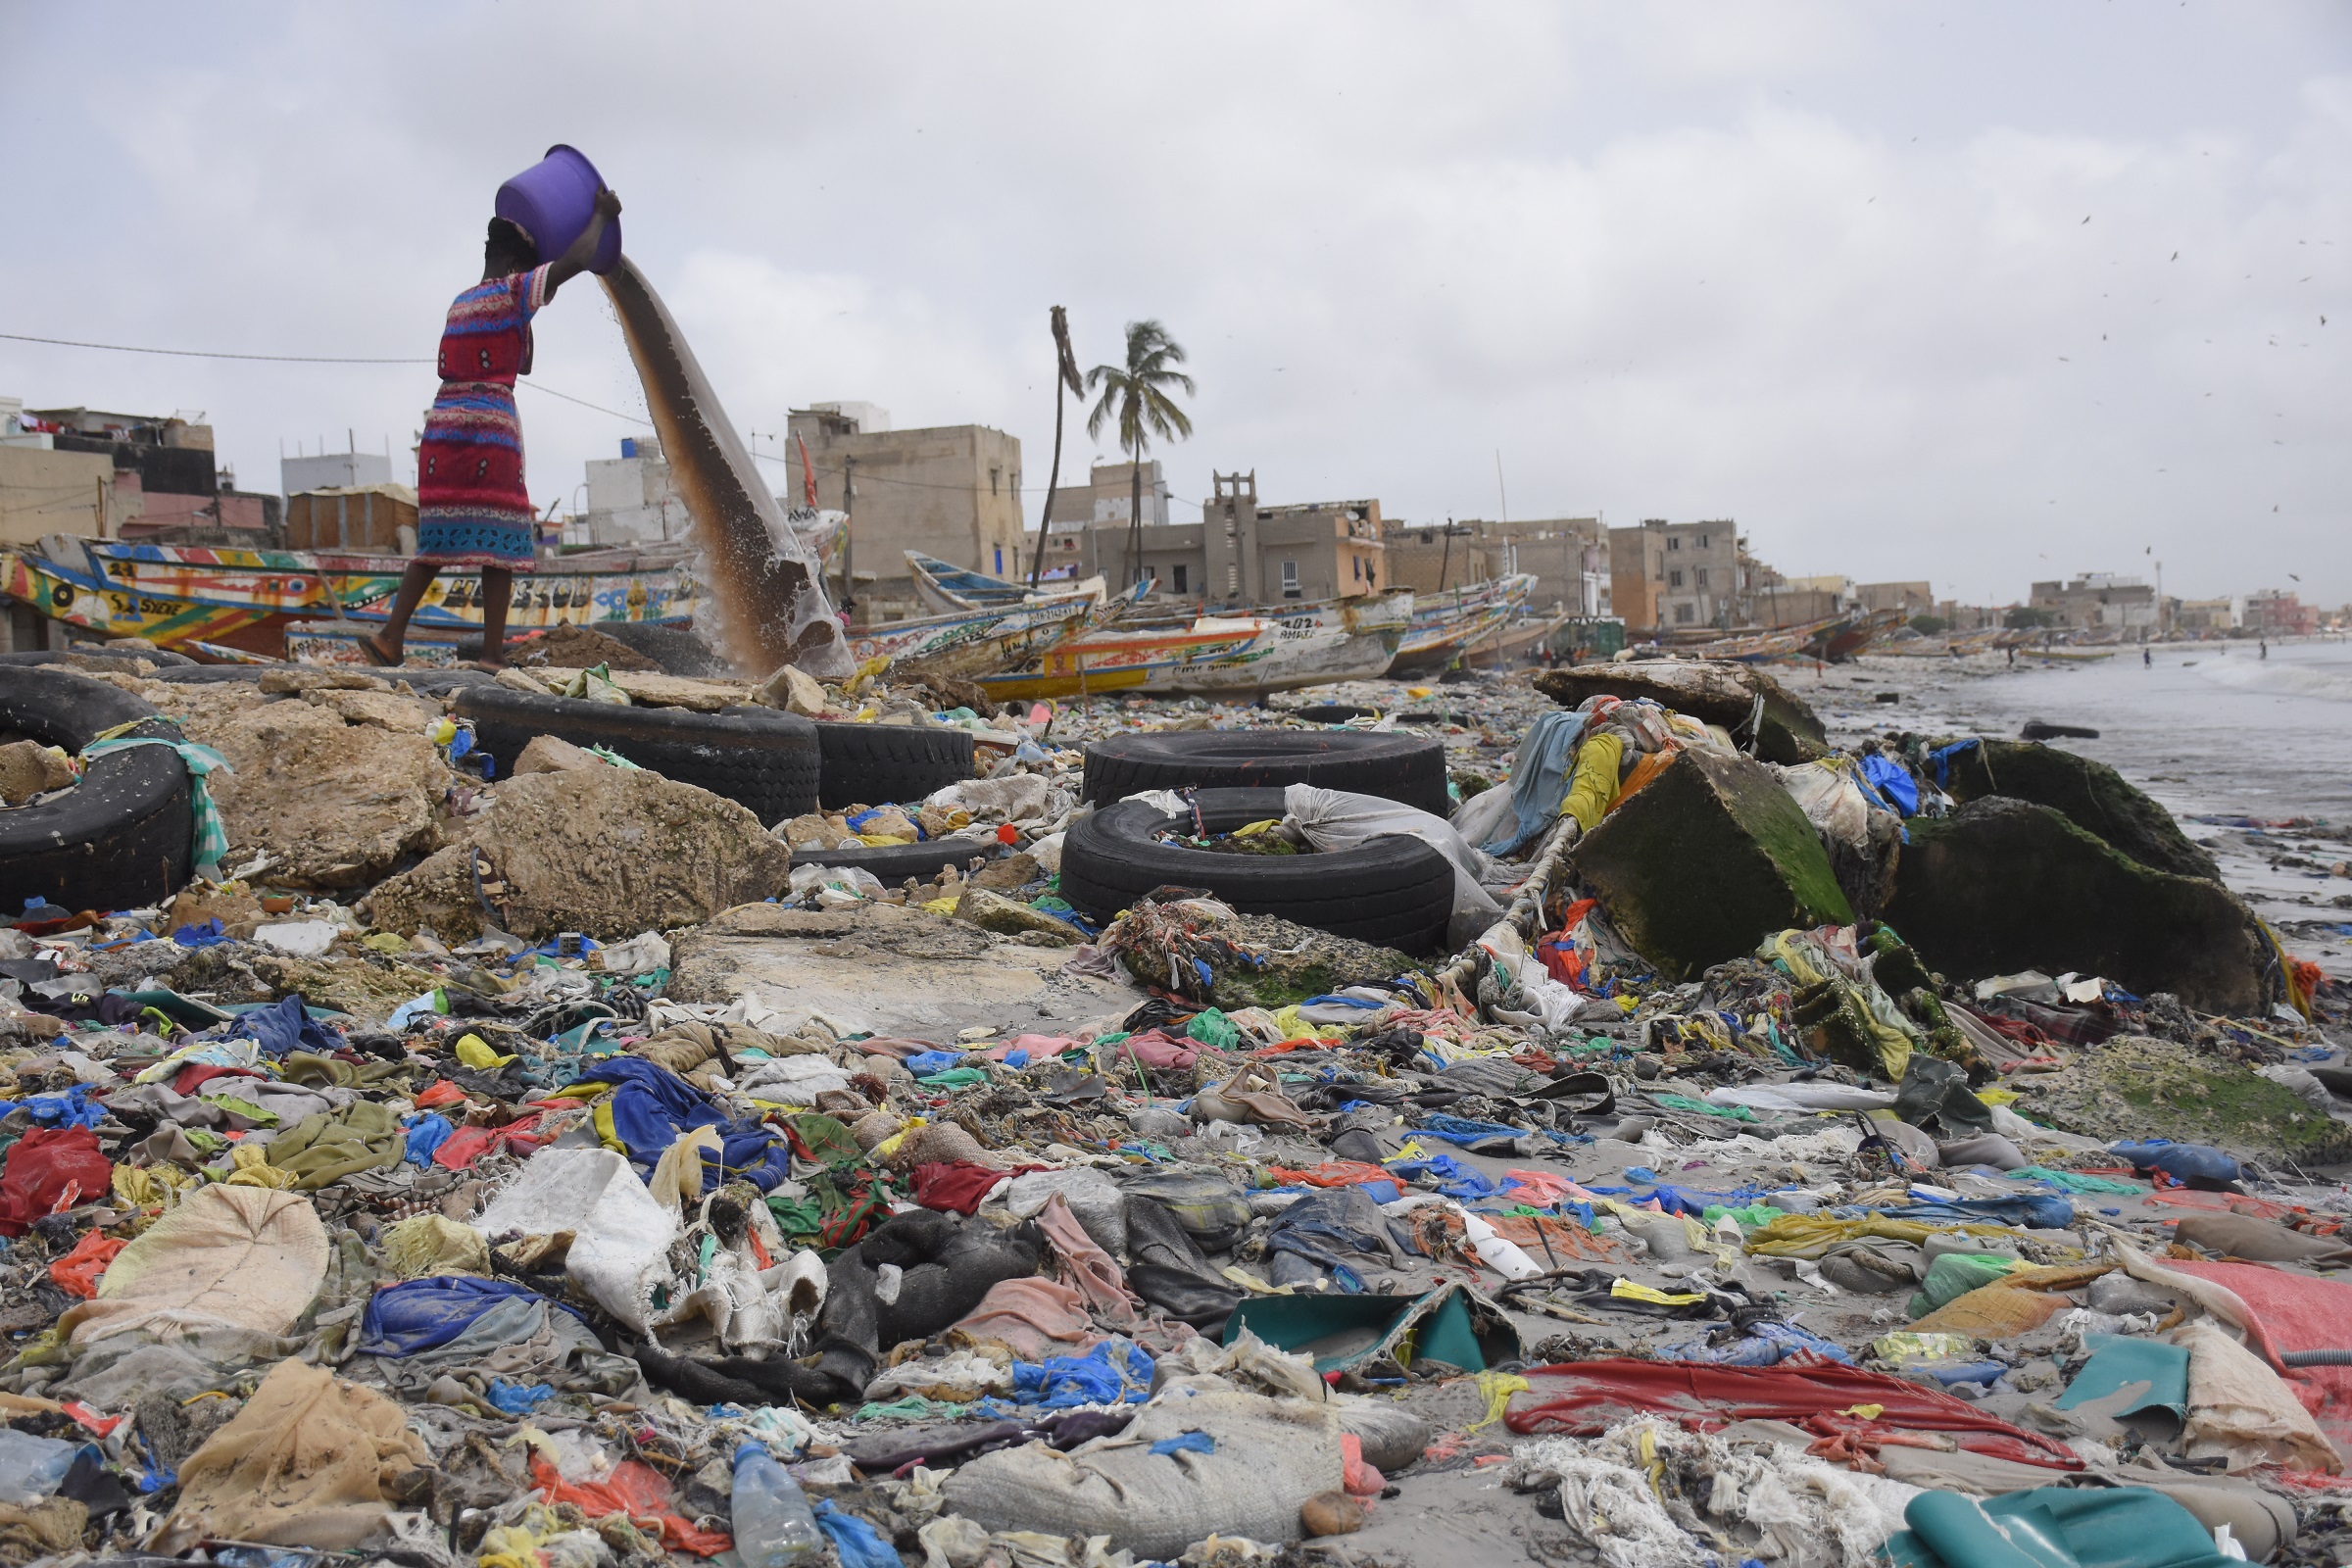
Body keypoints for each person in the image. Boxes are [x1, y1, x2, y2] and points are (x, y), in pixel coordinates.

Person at [362, 188, 622, 668]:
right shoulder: (512, 292)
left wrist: (529, 309)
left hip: (442, 428)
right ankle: (491, 654)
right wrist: (603, 214)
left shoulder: (461, 301)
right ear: (513, 266)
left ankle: (390, 636)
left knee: (436, 540)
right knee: (499, 540)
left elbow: (522, 360)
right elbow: (581, 257)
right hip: (488, 428)